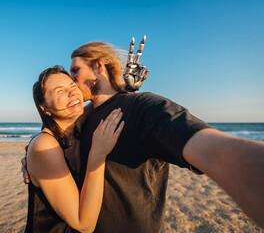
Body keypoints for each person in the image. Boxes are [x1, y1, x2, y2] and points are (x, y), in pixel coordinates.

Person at [23, 41, 264, 232]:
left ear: (99, 66)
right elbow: (54, 142)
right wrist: (33, 158)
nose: (73, 82)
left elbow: (209, 148)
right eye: (62, 86)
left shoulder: (143, 106)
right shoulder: (82, 120)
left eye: (75, 71)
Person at [25, 66, 125, 233]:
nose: (72, 93)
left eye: (72, 86)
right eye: (59, 91)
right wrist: (97, 155)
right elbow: (84, 224)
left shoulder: (79, 129)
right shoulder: (44, 145)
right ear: (44, 108)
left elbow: (97, 102)